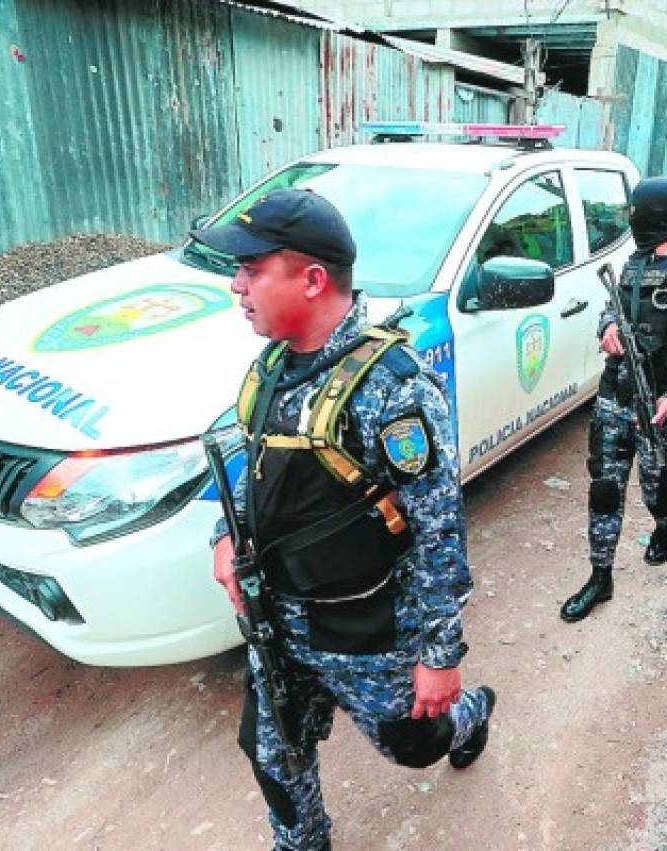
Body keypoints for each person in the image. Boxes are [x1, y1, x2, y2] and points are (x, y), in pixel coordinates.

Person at [195, 189, 495, 850]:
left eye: (251, 269)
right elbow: (255, 470)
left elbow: (438, 529)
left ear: (311, 279)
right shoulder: (274, 364)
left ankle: (472, 717)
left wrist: (441, 657)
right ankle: (304, 841)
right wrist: (224, 535)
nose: (236, 286)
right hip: (277, 616)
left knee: (413, 744)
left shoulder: (393, 387)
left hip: (361, 625)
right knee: (274, 753)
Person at [560, 178, 667, 623]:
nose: (630, 220)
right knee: (605, 489)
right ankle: (601, 576)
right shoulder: (635, 264)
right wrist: (607, 329)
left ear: (653, 215)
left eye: (635, 212)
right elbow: (614, 307)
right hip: (618, 397)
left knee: (660, 490)